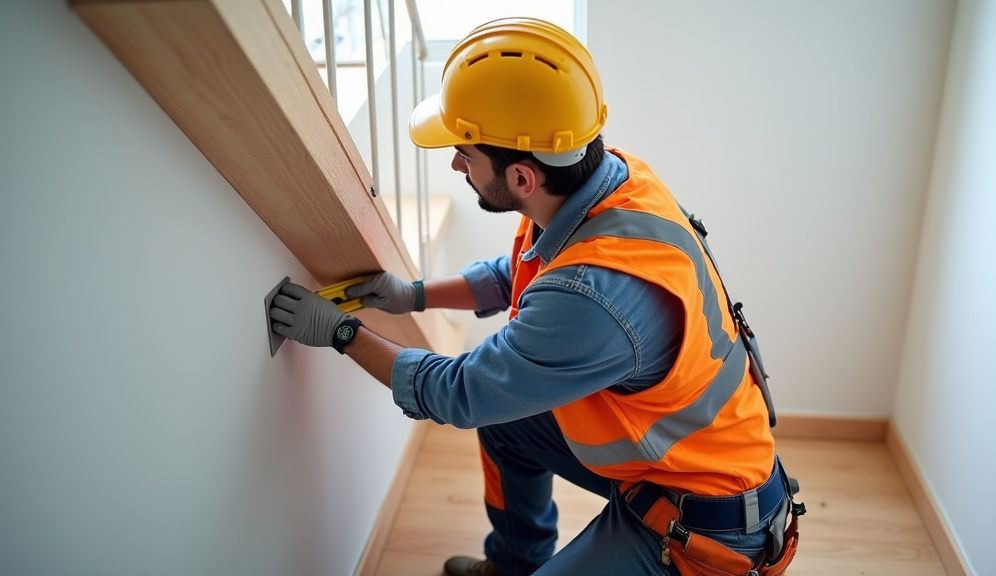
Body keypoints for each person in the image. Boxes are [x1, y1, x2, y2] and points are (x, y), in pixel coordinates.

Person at [269, 17, 802, 576]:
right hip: (668, 457)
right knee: (507, 423)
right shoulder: (609, 185)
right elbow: (518, 274)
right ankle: (513, 563)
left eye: (465, 153)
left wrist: (342, 333)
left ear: (523, 178)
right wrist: (413, 296)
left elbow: (460, 393)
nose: (455, 164)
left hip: (707, 520)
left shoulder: (592, 299)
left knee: (489, 405)